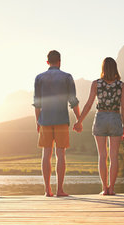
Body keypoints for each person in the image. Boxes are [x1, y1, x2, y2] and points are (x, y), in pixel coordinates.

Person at [74, 57, 124, 195]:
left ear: (103, 68)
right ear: (115, 68)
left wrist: (79, 121)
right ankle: (112, 189)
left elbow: (89, 104)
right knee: (114, 156)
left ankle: (104, 188)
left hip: (101, 117)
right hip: (115, 118)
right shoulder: (121, 86)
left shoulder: (96, 84)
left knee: (102, 155)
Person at [33, 50, 81, 197]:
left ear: (47, 62)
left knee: (46, 154)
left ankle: (48, 190)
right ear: (60, 61)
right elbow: (73, 101)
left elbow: (37, 103)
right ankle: (60, 190)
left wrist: (38, 121)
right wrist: (79, 120)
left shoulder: (39, 78)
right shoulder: (67, 77)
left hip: (45, 120)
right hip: (61, 120)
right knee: (61, 154)